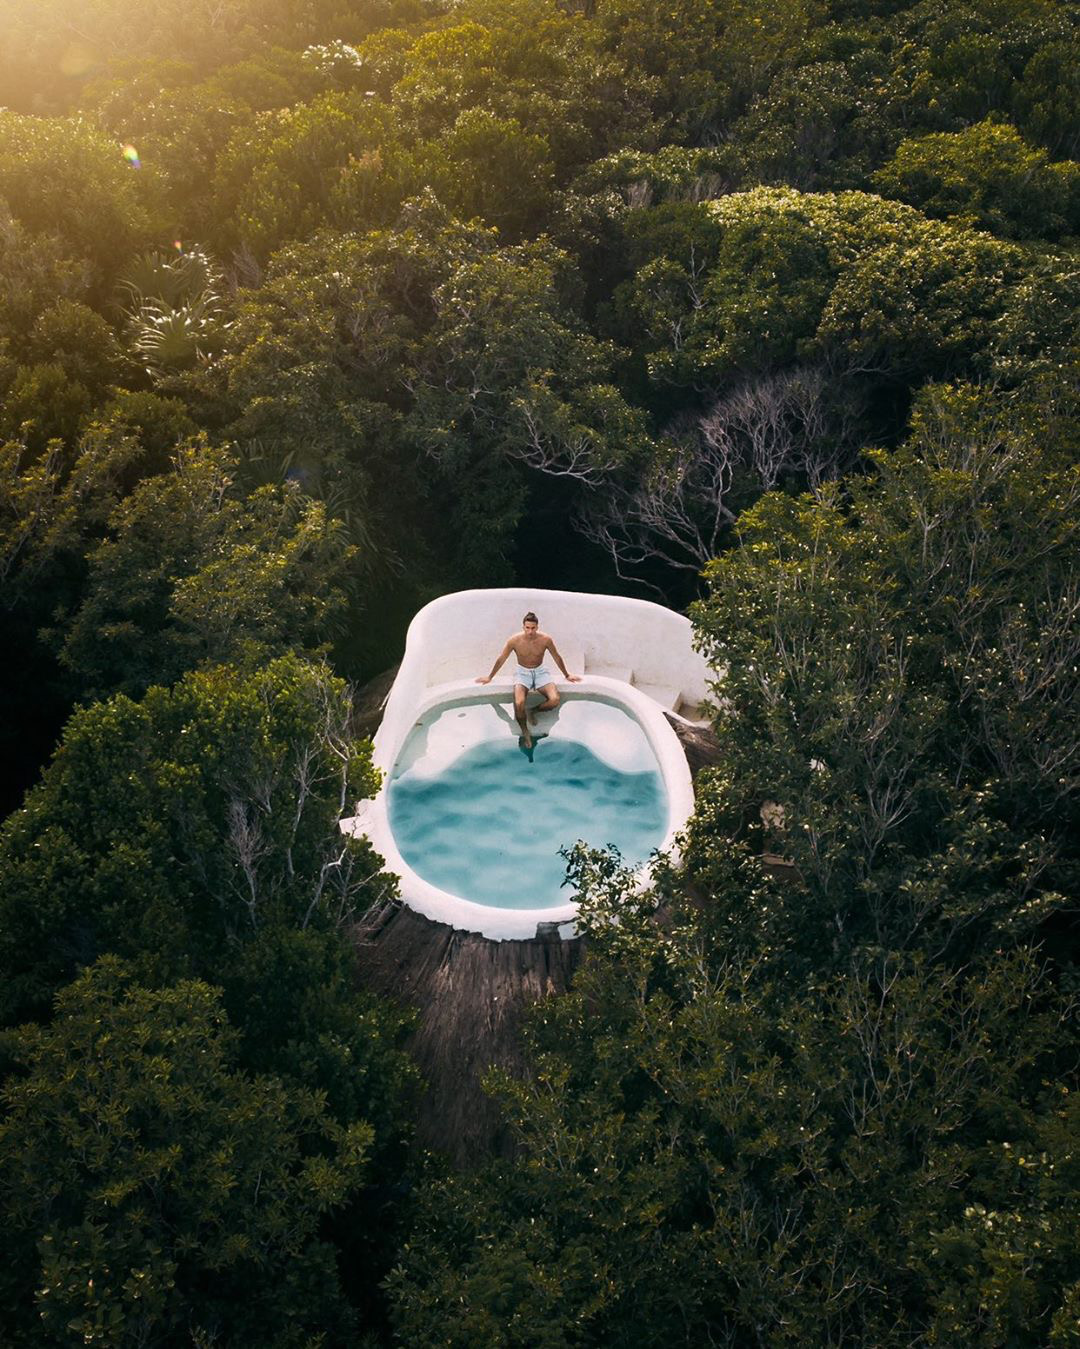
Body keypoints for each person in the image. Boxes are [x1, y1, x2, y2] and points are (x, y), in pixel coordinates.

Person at [476, 611, 581, 748]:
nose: (530, 631)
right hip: (522, 672)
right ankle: (525, 732)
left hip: (541, 672)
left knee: (554, 699)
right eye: (527, 628)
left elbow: (557, 656)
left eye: (533, 628)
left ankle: (533, 711)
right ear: (523, 627)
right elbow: (502, 658)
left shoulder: (546, 639)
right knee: (519, 703)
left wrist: (567, 675)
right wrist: (490, 677)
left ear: (537, 627)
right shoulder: (514, 640)